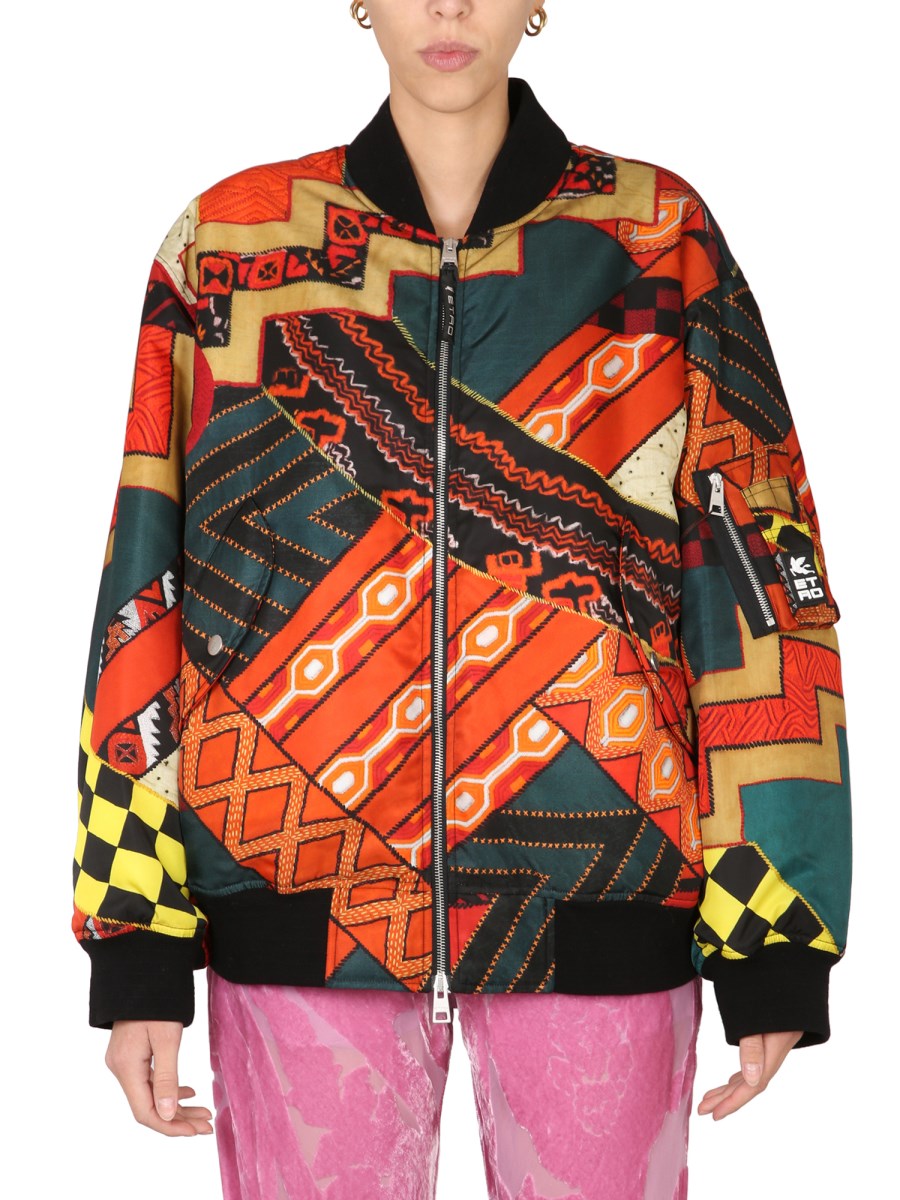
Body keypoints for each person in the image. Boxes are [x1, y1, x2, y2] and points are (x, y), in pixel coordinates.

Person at [71, 2, 852, 1196]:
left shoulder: (656, 238)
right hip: (296, 907)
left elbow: (757, 587)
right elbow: (147, 580)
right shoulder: (227, 247)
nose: (448, 6)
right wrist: (137, 939)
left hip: (605, 902)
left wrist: (773, 932)